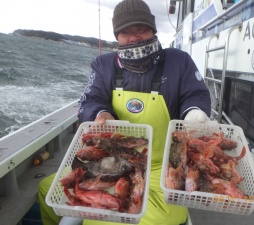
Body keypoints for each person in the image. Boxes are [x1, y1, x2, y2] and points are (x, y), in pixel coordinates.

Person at [38, 0, 211, 224]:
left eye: (141, 29)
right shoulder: (103, 64)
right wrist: (99, 113)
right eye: (125, 32)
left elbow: (195, 94)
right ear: (117, 36)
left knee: (161, 218)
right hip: (112, 158)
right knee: (46, 189)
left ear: (153, 30)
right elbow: (91, 99)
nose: (134, 37)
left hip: (160, 164)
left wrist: (193, 112)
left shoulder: (179, 61)